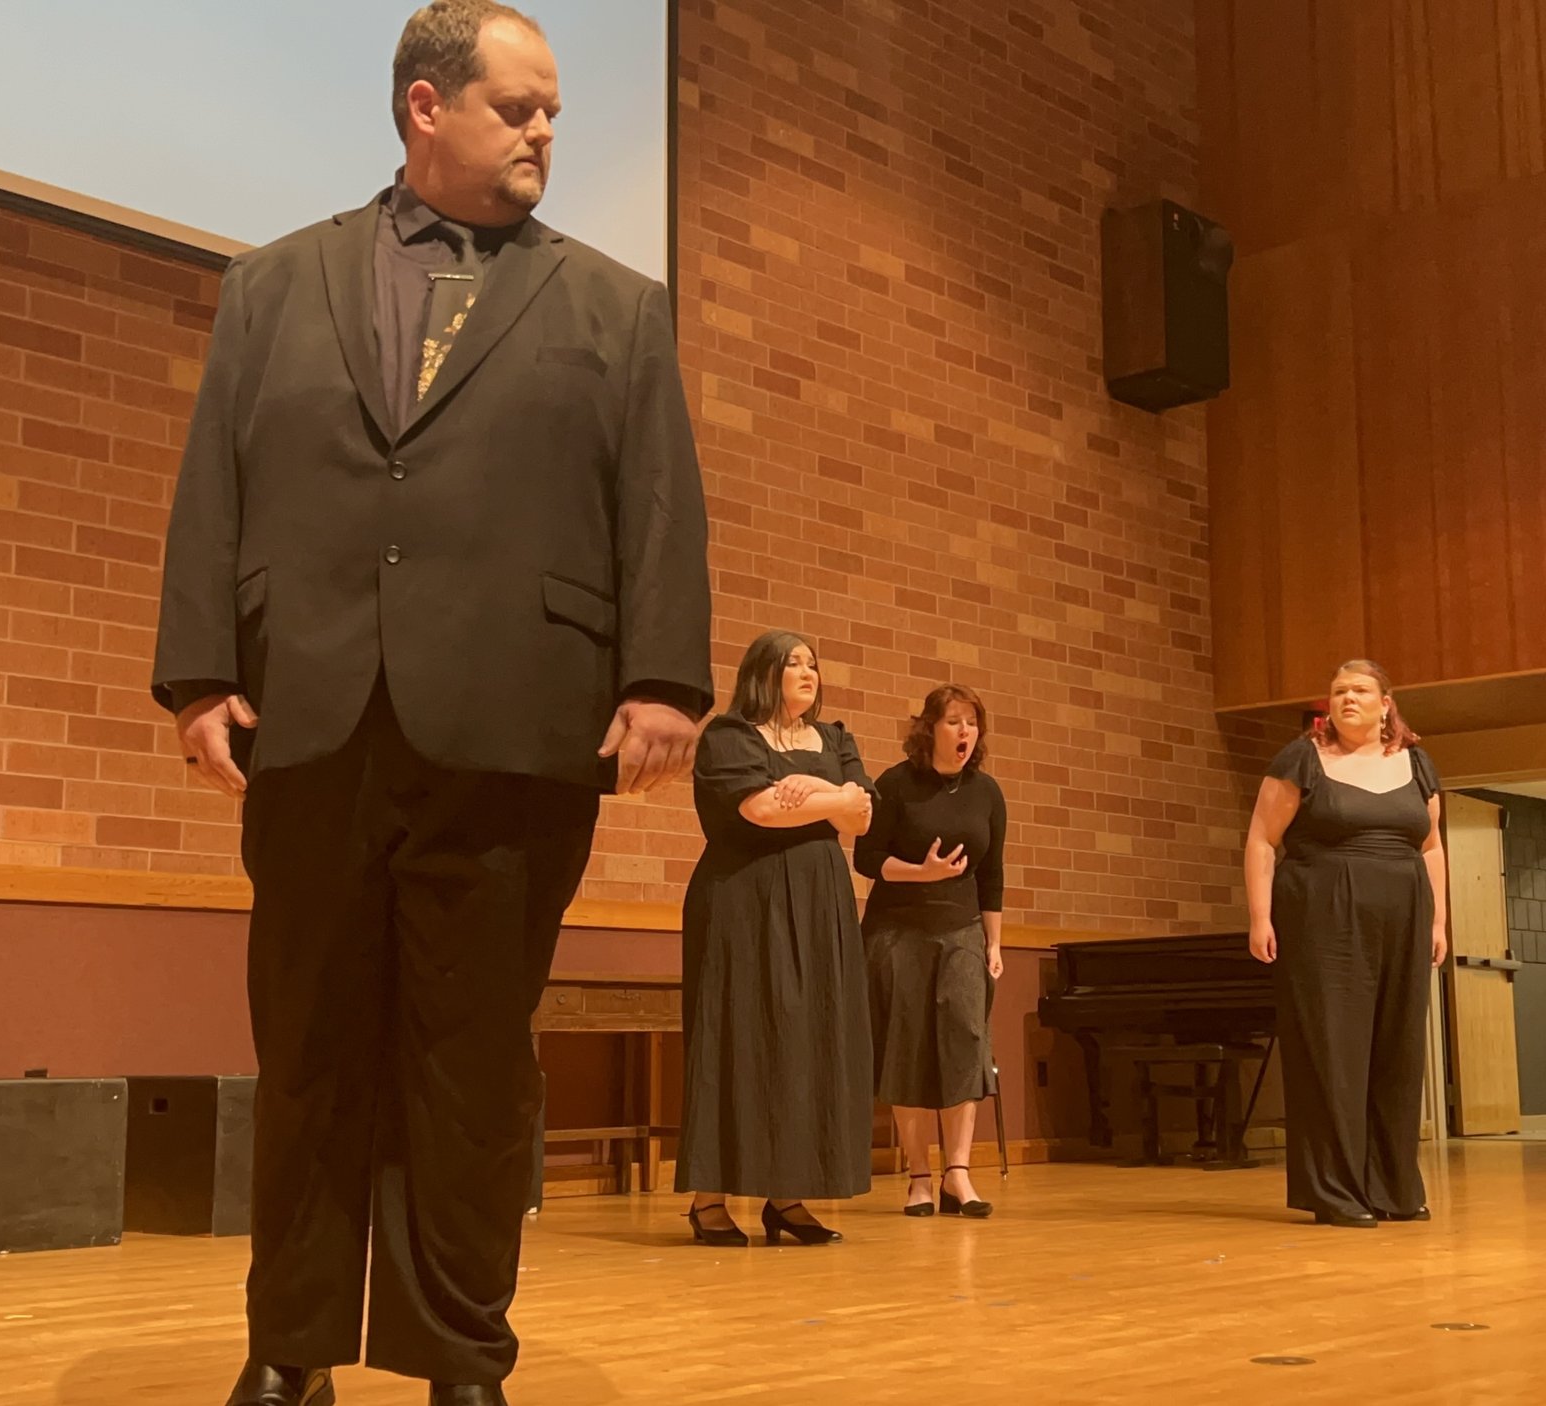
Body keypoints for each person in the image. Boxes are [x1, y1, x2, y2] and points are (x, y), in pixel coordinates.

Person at [150, 4, 712, 1402]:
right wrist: (202, 668)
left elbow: (658, 501)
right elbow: (214, 477)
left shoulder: (615, 306)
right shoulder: (274, 284)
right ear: (424, 106)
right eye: (517, 108)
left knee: (471, 1069)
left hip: (519, 723)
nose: (544, 135)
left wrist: (660, 677)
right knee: (309, 1051)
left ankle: (461, 1352)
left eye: (553, 114)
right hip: (312, 715)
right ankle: (289, 1347)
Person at [676, 631, 877, 1247]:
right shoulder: (728, 737)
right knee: (734, 1034)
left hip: (819, 905)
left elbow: (865, 816)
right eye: (793, 663)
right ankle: (709, 1201)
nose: (808, 672)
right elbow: (760, 811)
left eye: (813, 663)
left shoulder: (836, 738)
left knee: (808, 1039)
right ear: (763, 672)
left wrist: (818, 793)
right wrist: (833, 796)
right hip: (745, 899)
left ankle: (786, 1197)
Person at [1242, 660, 1447, 1229]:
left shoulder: (1417, 764)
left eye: (1359, 690)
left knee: (1397, 1049)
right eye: (1337, 692)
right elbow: (1262, 838)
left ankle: (1393, 1185)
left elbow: (1430, 847)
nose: (1346, 699)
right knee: (1334, 1048)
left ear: (1387, 704)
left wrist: (1438, 922)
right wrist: (1260, 916)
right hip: (1323, 916)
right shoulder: (1302, 758)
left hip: (1404, 915)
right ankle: (1335, 1190)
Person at [855, 684, 1006, 1218]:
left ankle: (958, 1175)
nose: (965, 732)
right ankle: (920, 1176)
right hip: (898, 930)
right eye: (953, 722)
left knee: (966, 1038)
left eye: (972, 722)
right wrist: (920, 872)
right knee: (907, 1045)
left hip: (962, 928)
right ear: (930, 730)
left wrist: (994, 941)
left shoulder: (987, 792)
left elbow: (992, 874)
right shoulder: (895, 785)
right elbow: (867, 858)